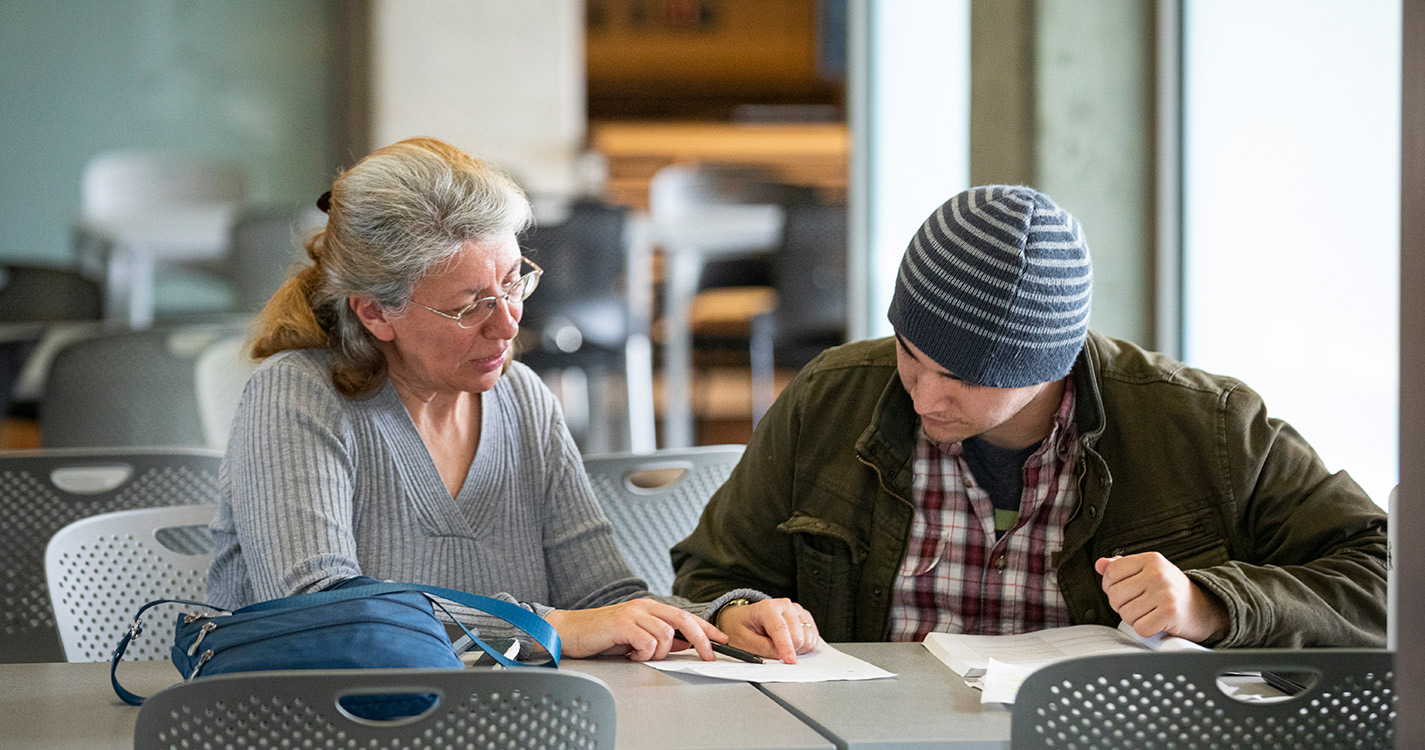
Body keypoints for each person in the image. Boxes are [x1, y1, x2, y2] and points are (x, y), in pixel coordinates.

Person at [671, 185, 1388, 648]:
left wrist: (1211, 603)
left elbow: (1387, 577)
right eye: (910, 354)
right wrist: (736, 609)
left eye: (963, 380)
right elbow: (712, 570)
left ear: (1050, 369)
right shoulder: (830, 397)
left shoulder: (1207, 426)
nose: (923, 398)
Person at [207, 137, 819, 662]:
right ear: (375, 312)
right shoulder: (296, 395)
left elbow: (605, 600)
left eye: (513, 281)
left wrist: (723, 617)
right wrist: (543, 626)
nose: (507, 324)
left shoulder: (521, 398)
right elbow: (321, 609)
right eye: (470, 304)